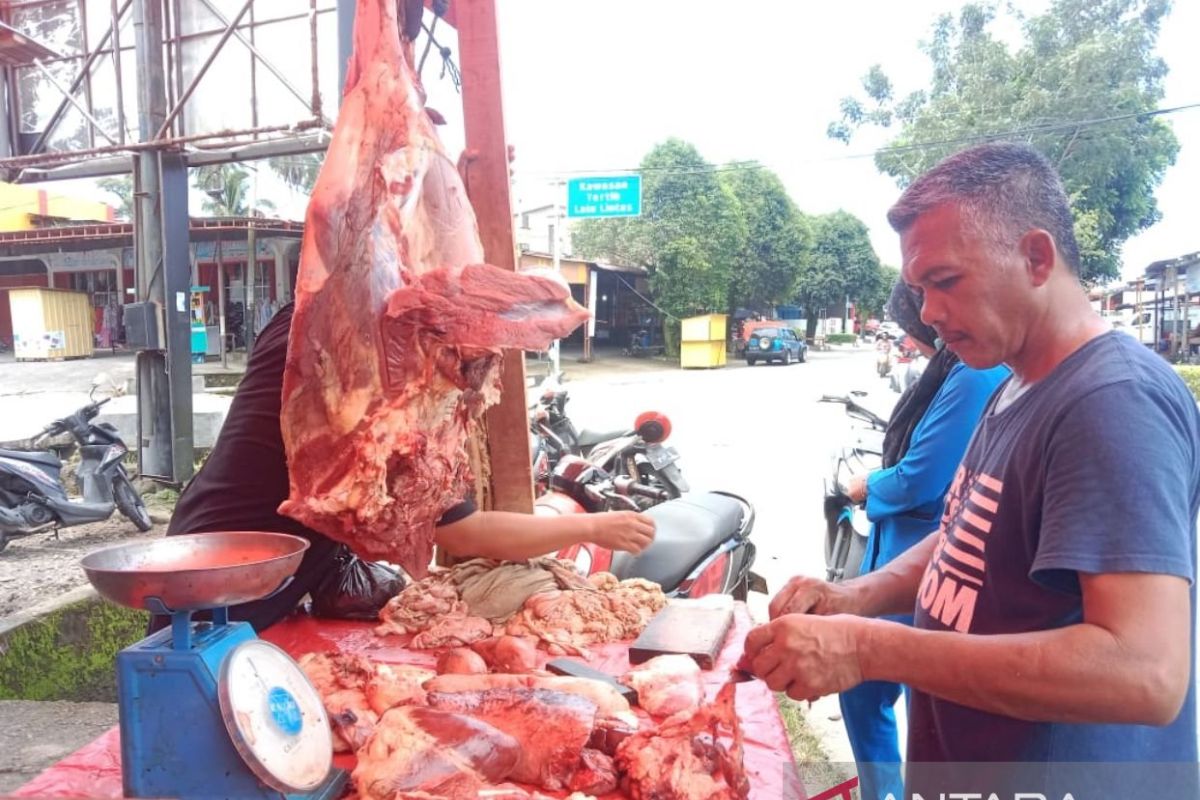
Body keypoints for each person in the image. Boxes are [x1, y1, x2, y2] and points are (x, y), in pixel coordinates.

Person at [745, 143, 1199, 796]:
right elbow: (967, 538)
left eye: (946, 281)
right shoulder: (1014, 381)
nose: (927, 312)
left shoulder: (1111, 402)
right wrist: (855, 599)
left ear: (1036, 257)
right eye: (918, 289)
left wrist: (868, 648)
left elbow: (1144, 672)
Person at [154, 300, 655, 632]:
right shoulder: (375, 371)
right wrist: (593, 525)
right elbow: (463, 533)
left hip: (249, 562)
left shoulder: (308, 316)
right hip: (222, 590)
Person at [837, 280, 1008, 800]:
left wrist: (871, 484)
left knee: (918, 701)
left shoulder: (976, 374)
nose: (925, 321)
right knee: (866, 689)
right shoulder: (948, 368)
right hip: (905, 551)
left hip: (931, 553)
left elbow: (923, 478)